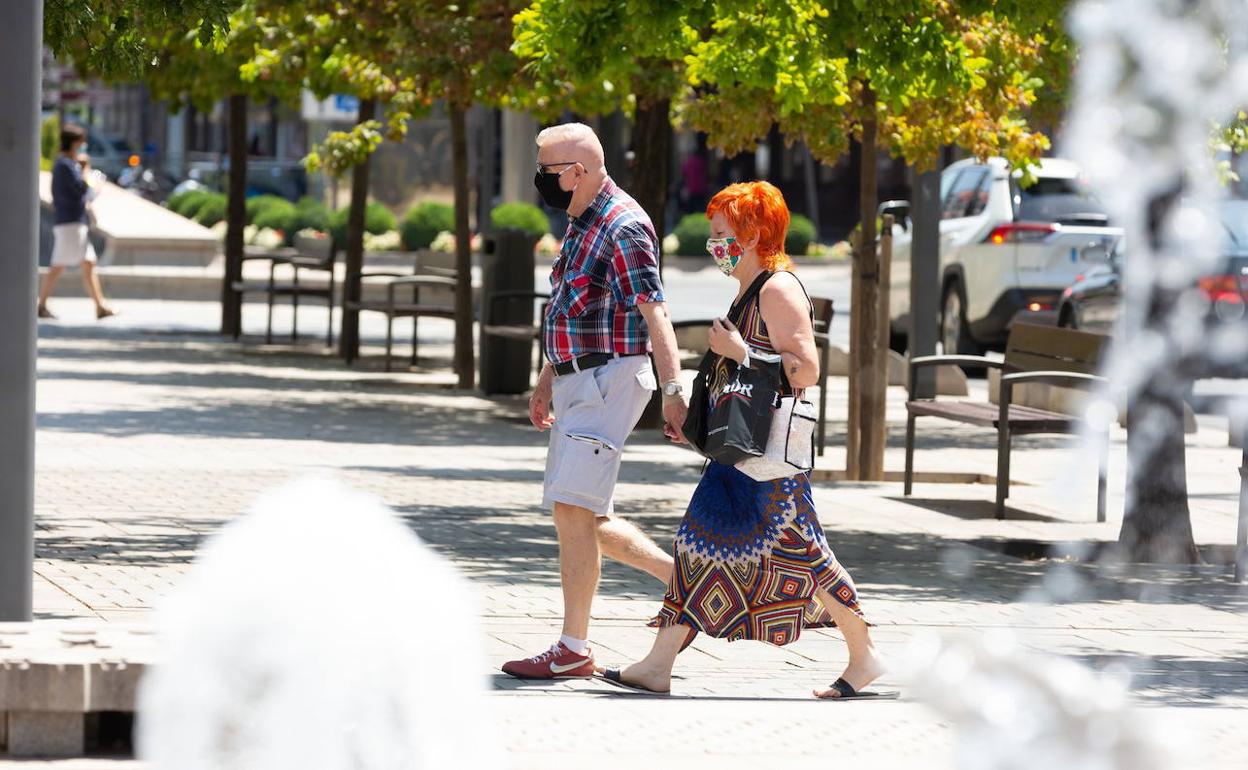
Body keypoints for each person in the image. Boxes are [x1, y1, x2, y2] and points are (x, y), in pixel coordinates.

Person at [598, 181, 892, 700]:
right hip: (742, 454)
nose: (715, 245)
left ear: (754, 233)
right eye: (713, 234)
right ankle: (658, 664)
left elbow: (807, 371)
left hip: (771, 457)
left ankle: (864, 655)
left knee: (805, 554)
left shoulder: (778, 289)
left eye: (722, 234)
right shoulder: (750, 286)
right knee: (696, 544)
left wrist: (741, 353)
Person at [502, 123, 690, 680]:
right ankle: (689, 583)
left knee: (573, 510)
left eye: (547, 171)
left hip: (609, 380)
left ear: (577, 171)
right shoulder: (581, 219)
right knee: (585, 516)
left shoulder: (624, 226)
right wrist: (546, 379)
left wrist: (676, 392)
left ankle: (574, 646)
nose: (541, 181)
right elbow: (568, 309)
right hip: (578, 380)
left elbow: (656, 314)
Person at [39, 124, 115, 321]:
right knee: (58, 265)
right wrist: (86, 170)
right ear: (74, 143)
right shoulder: (65, 165)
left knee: (88, 263)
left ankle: (100, 306)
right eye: (81, 143)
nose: (84, 146)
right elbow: (81, 190)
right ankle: (41, 304)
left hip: (73, 221)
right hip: (70, 223)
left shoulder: (67, 164)